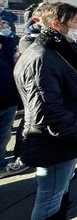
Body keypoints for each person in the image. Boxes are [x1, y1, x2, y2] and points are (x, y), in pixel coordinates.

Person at [14, 3, 77, 219]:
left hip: (63, 138)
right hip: (53, 141)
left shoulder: (59, 50)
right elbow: (48, 113)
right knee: (49, 200)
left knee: (58, 195)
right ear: (56, 24)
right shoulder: (42, 58)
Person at [0, 20, 29, 179]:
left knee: (4, 134)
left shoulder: (9, 43)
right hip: (6, 96)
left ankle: (2, 164)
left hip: (9, 97)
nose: (3, 26)